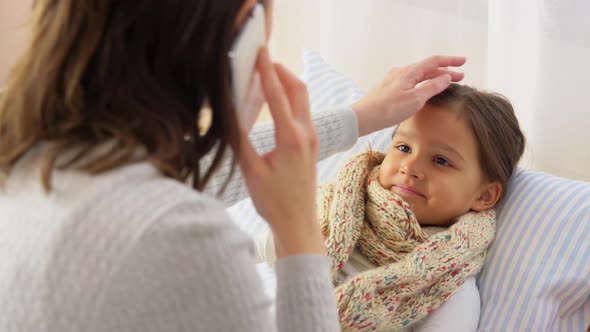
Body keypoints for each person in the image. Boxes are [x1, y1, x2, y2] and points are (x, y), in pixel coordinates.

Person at [0, 0, 466, 331]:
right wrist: (297, 226)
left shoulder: (32, 158)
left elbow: (176, 174)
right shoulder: (177, 234)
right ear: (242, 31)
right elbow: (172, 197)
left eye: (442, 159)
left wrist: (357, 117)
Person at [257, 84, 526, 331]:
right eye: (404, 147)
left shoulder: (448, 289)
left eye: (441, 161)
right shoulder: (325, 208)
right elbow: (250, 259)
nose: (409, 167)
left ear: (485, 195)